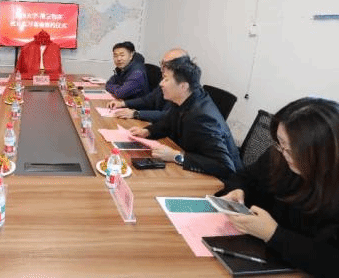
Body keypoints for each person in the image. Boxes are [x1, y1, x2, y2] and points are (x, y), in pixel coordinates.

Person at [216, 97, 339, 277]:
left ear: (326, 151)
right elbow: (243, 177)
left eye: (294, 149)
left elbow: (332, 261)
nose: (284, 153)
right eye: (281, 143)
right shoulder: (278, 155)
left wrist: (273, 234)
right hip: (256, 255)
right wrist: (238, 191)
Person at [130, 56, 242, 180]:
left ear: (183, 86)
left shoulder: (202, 117)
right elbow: (168, 123)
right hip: (193, 165)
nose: (161, 84)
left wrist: (176, 156)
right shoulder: (184, 98)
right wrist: (147, 131)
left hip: (223, 181)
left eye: (166, 79)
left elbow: (225, 166)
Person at [107, 48, 188, 122]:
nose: (162, 69)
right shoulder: (165, 80)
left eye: (167, 65)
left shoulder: (184, 87)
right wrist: (123, 103)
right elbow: (148, 100)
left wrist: (136, 114)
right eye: (162, 64)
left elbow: (168, 116)